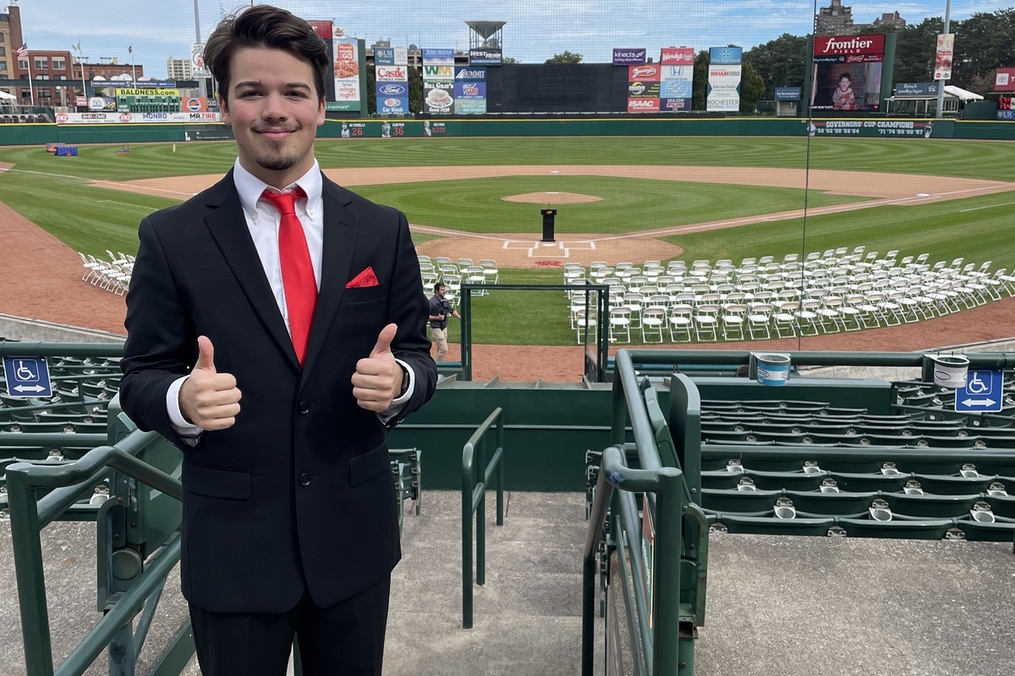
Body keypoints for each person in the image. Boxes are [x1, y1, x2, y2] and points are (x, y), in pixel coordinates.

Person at [118, 6, 437, 675]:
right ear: (224, 105)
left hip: (353, 543)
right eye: (251, 91)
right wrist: (181, 399)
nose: (274, 109)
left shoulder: (383, 229)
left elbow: (415, 356)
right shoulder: (170, 237)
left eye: (293, 91)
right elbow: (142, 375)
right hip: (233, 552)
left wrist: (400, 384)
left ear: (321, 106)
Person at [428, 282, 461, 363]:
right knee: (444, 348)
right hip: (436, 328)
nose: (444, 291)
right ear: (436, 291)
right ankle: (437, 365)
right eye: (442, 290)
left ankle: (439, 363)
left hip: (444, 327)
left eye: (444, 289)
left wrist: (461, 318)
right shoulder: (431, 302)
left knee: (440, 347)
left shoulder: (445, 300)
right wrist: (437, 317)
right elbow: (426, 316)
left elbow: (451, 310)